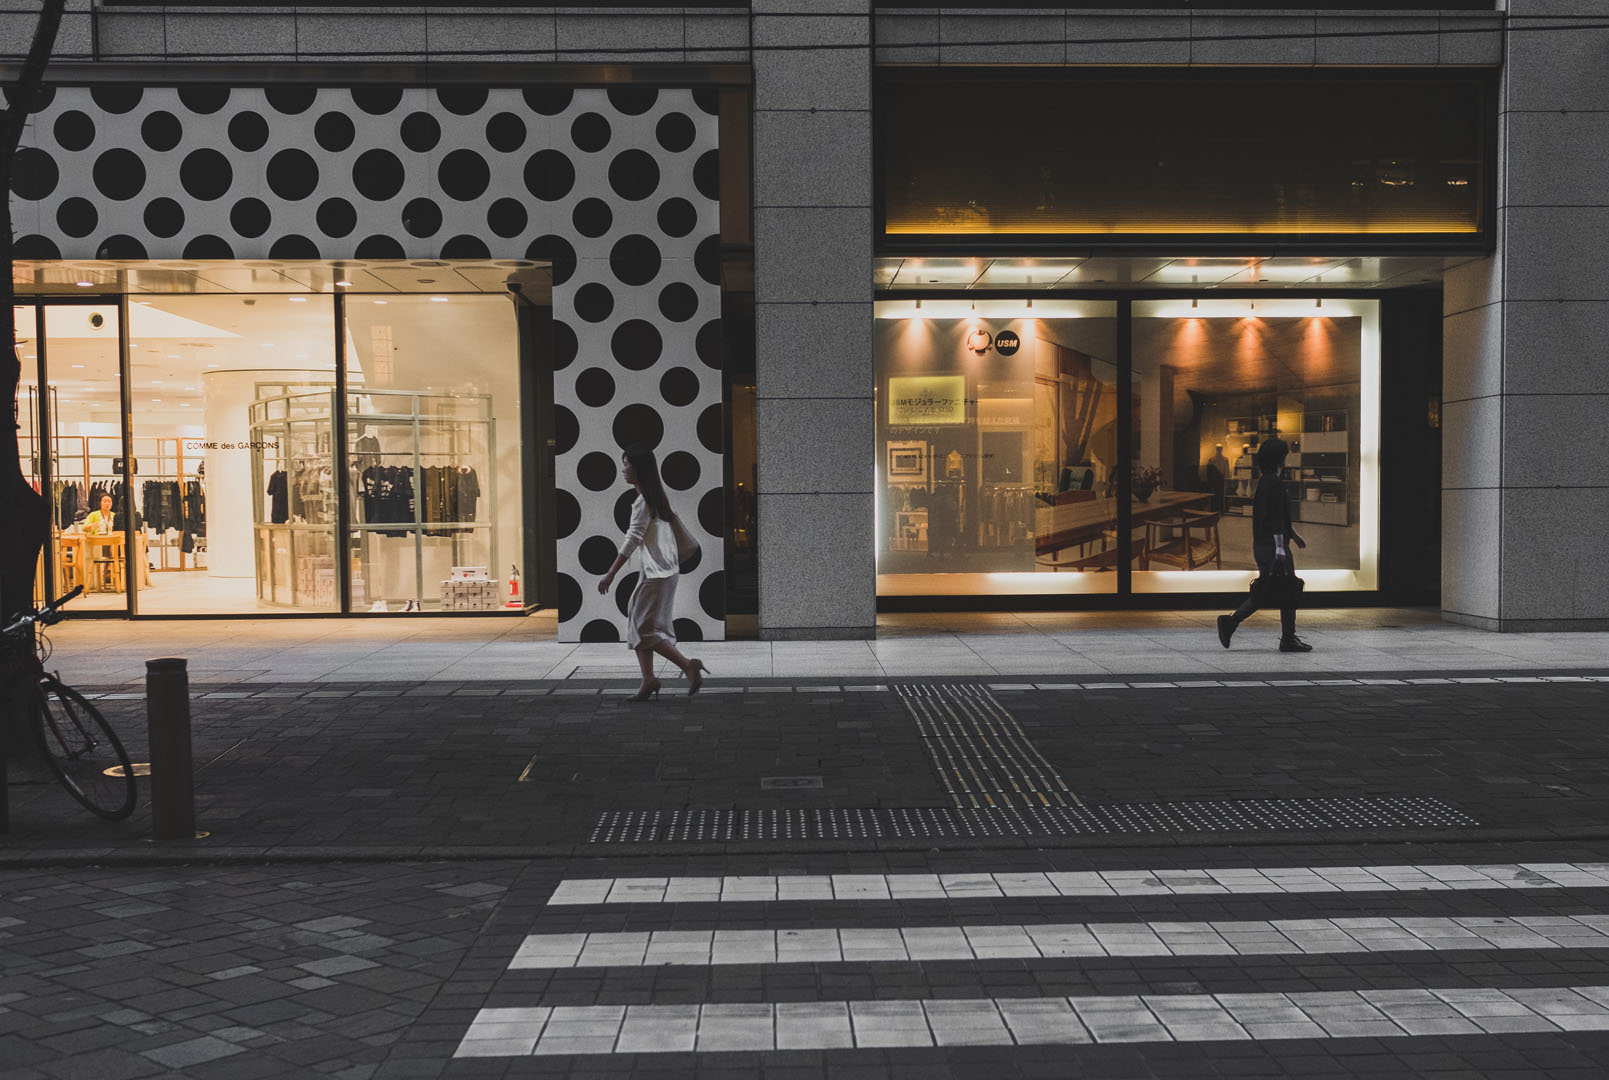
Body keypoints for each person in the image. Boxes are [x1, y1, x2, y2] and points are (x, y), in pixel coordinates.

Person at [597, 445, 709, 700]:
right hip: (664, 570)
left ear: (638, 468)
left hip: (657, 572)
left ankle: (686, 666)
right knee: (641, 625)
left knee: (643, 628)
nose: (623, 469)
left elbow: (632, 539)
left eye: (626, 464)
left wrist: (610, 573)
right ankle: (649, 679)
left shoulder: (643, 502)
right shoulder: (656, 499)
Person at [1217, 437, 1312, 653]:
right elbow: (1275, 518)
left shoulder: (1265, 482)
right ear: (1281, 459)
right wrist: (1280, 547)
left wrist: (1294, 536)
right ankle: (1285, 637)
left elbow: (1274, 516)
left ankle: (1232, 623)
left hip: (1262, 545)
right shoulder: (1275, 483)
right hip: (1273, 547)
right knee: (1287, 589)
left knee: (1271, 589)